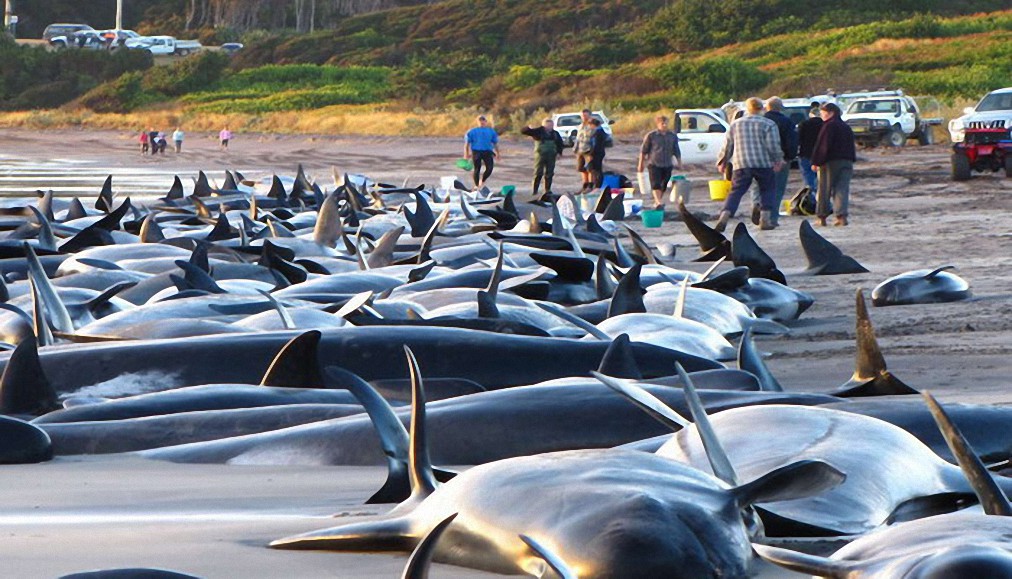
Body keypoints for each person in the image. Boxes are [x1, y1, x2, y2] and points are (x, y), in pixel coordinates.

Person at [714, 97, 784, 232]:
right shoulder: (768, 124)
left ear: (747, 108)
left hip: (741, 163)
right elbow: (773, 145)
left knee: (736, 192)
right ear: (761, 108)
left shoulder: (735, 124)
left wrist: (722, 161)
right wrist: (778, 159)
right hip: (763, 163)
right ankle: (765, 219)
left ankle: (724, 216)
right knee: (768, 189)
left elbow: (728, 145)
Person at [811, 102, 856, 227]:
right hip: (847, 160)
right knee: (842, 189)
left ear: (831, 113)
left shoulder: (828, 126)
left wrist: (816, 161)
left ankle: (822, 217)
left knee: (824, 189)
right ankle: (841, 216)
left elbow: (823, 146)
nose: (821, 116)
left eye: (823, 113)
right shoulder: (845, 126)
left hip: (830, 162)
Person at [757, 96, 798, 227]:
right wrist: (790, 157)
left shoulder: (760, 120)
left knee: (760, 189)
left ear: (767, 107)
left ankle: (758, 216)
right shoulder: (786, 122)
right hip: (781, 160)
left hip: (760, 160)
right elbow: (791, 142)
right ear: (780, 108)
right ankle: (772, 218)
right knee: (777, 189)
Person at [638, 115, 683, 210]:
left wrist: (679, 163)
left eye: (666, 123)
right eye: (662, 123)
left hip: (667, 163)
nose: (665, 125)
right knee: (656, 183)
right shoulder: (651, 136)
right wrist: (641, 164)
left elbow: (676, 150)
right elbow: (643, 151)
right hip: (654, 163)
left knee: (664, 184)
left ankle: (657, 201)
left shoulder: (672, 136)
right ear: (658, 124)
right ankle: (658, 202)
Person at [521, 118, 564, 200]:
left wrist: (559, 153)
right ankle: (534, 190)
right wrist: (529, 128)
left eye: (551, 125)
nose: (550, 127)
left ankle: (547, 190)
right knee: (538, 173)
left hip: (551, 155)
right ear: (543, 125)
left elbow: (560, 144)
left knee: (549, 173)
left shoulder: (555, 133)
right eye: (548, 125)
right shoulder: (538, 131)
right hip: (540, 155)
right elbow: (523, 131)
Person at [464, 115, 499, 189]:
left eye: (483, 120)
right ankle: (476, 186)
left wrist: (498, 153)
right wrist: (466, 155)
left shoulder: (491, 131)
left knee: (489, 168)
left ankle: (482, 180)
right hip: (476, 151)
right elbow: (467, 144)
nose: (482, 122)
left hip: (488, 151)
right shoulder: (472, 131)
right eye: (480, 120)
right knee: (477, 169)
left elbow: (495, 143)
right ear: (477, 122)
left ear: (486, 122)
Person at [797, 104, 823, 198]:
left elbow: (798, 139)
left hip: (805, 154)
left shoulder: (803, 124)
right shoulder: (825, 125)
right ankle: (820, 198)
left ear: (810, 114)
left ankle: (809, 197)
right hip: (821, 156)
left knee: (808, 177)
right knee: (821, 178)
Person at [573, 109, 596, 191]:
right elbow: (578, 138)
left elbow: (592, 137)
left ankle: (590, 186)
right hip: (580, 150)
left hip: (589, 150)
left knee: (590, 169)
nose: (584, 117)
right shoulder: (580, 126)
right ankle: (584, 185)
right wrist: (575, 149)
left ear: (590, 115)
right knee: (581, 168)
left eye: (586, 116)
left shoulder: (593, 126)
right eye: (582, 116)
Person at [587, 118, 608, 189]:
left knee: (596, 170)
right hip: (600, 152)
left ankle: (597, 185)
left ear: (593, 125)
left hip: (596, 153)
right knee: (596, 169)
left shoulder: (597, 132)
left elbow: (595, 145)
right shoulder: (601, 131)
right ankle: (596, 184)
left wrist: (591, 154)